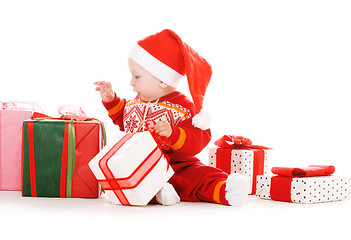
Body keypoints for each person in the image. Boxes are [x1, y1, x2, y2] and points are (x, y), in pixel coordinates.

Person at [94, 29, 249, 206]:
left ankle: (226, 190)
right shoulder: (136, 103)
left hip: (178, 165)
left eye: (137, 76)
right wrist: (111, 100)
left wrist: (173, 133)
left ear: (163, 80)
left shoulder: (183, 107)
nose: (131, 82)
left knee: (197, 176)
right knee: (129, 177)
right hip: (142, 165)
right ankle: (159, 193)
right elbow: (124, 118)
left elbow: (199, 137)